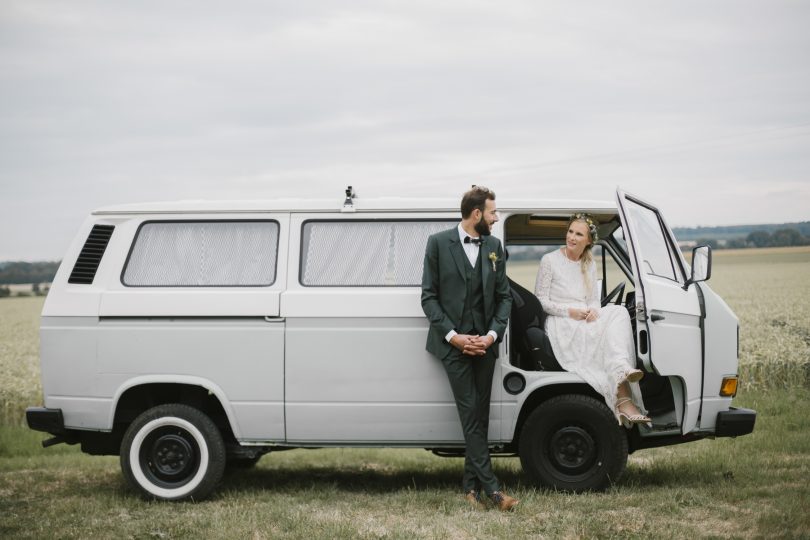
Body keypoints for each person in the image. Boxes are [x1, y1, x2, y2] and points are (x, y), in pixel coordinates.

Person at [421, 186, 519, 511]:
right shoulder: (438, 243)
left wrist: (490, 336)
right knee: (470, 414)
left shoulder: (494, 246)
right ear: (477, 214)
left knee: (480, 415)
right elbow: (429, 297)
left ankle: (469, 488)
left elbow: (504, 297)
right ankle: (493, 490)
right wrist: (454, 337)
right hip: (453, 346)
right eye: (493, 212)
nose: (496, 217)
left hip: (485, 345)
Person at [534, 213, 650, 427]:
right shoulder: (549, 260)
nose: (572, 237)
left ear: (588, 240)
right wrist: (571, 312)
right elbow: (541, 301)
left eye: (579, 234)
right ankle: (623, 400)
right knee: (605, 332)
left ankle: (621, 368)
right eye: (570, 232)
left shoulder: (589, 263)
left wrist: (594, 311)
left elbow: (594, 300)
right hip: (562, 322)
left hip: (584, 319)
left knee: (618, 312)